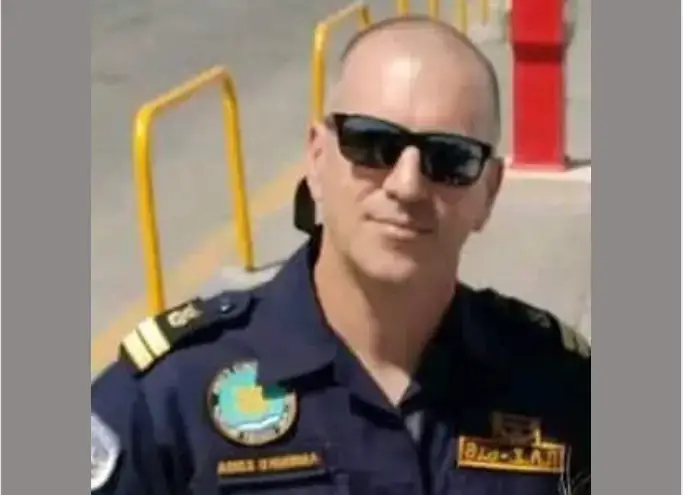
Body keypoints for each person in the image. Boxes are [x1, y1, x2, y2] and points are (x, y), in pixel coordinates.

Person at [91, 15, 591, 495]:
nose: (406, 185)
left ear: (490, 191)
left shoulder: (560, 386)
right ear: (316, 158)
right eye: (372, 142)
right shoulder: (168, 400)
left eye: (450, 157)